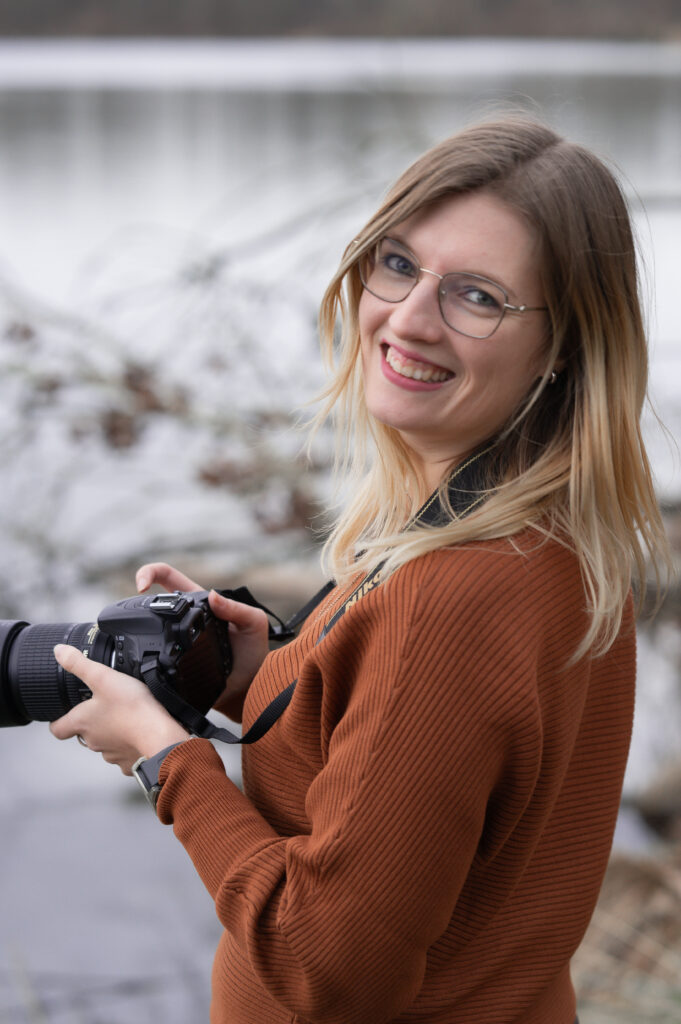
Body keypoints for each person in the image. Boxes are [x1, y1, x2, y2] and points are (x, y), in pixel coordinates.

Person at [49, 116, 670, 1024]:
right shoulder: (551, 536)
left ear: (564, 345)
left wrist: (167, 760)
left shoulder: (449, 599)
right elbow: (445, 786)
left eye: (479, 296)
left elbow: (325, 971)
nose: (408, 319)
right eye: (397, 263)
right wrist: (269, 675)